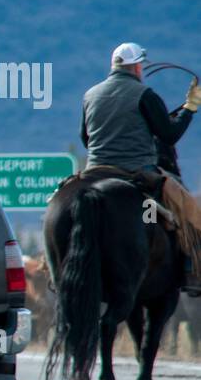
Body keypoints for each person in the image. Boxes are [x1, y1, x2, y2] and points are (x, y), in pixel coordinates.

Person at [81, 42, 201, 293]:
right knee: (192, 214)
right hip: (138, 171)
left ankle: (52, 271)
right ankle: (192, 271)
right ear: (137, 67)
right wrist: (190, 108)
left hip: (94, 171)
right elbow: (169, 135)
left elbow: (85, 139)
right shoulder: (145, 95)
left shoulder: (90, 94)